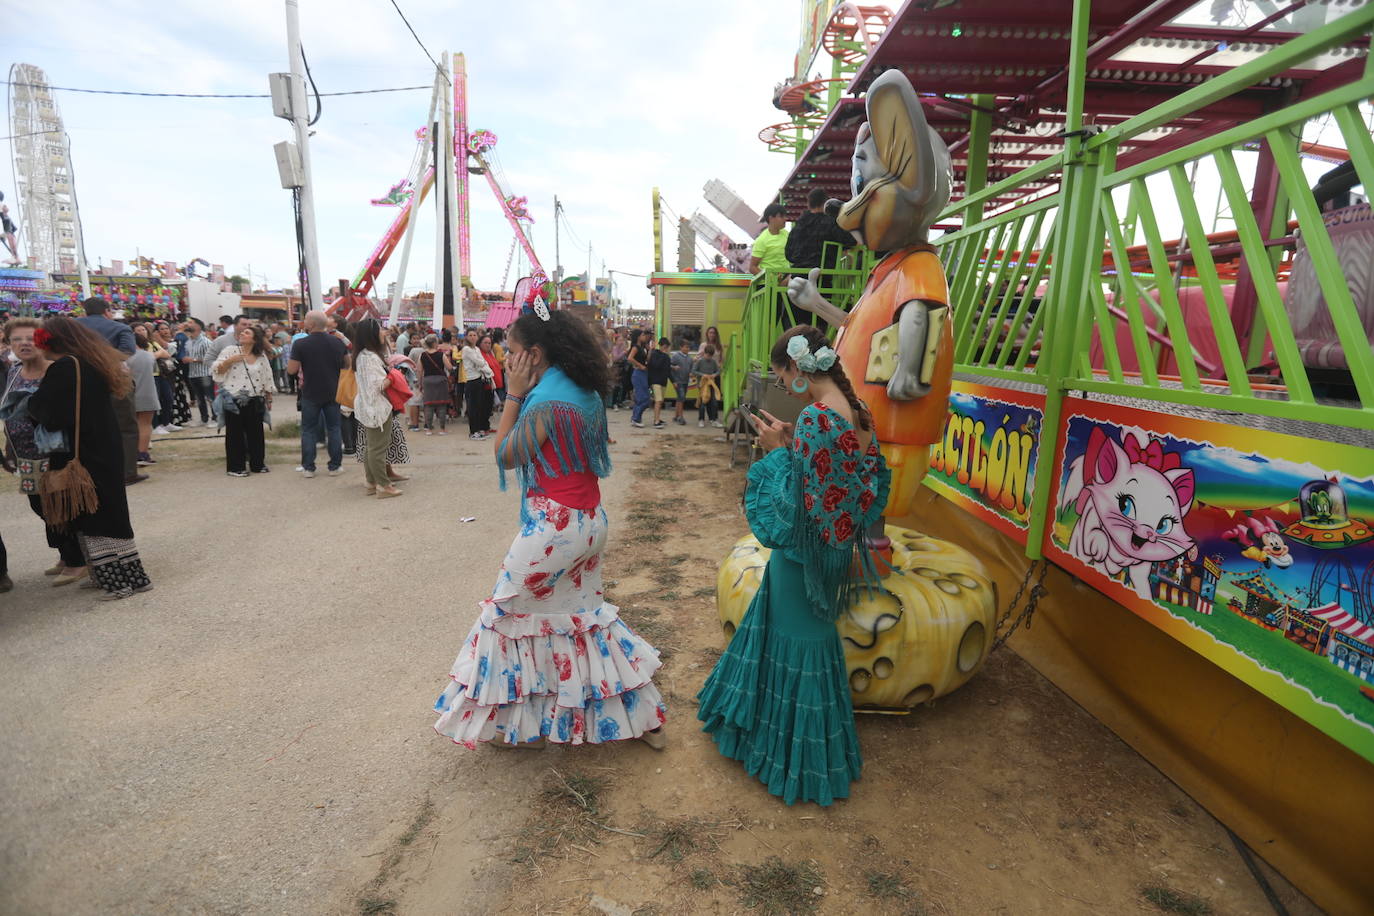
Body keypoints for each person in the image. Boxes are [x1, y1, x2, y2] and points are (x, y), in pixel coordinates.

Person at [433, 308, 666, 750]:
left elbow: (505, 454)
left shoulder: (544, 401)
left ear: (535, 354)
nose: (509, 358)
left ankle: (515, 727)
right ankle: (643, 718)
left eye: (514, 352)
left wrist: (514, 395)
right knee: (583, 623)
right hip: (589, 522)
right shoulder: (584, 390)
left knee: (506, 618)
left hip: (554, 529)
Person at [697, 325, 891, 806]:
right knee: (812, 643)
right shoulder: (859, 414)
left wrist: (776, 452)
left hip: (801, 556)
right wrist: (791, 446)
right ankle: (816, 751)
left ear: (800, 366)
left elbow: (799, 505)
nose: (782, 384)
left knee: (791, 642)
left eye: (783, 373)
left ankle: (787, 758)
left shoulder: (814, 420)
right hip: (834, 553)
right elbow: (849, 489)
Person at [27, 316, 154, 599]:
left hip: (80, 453)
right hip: (104, 447)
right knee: (111, 509)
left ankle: (115, 583)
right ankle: (133, 576)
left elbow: (49, 413)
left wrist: (30, 405)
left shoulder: (64, 368)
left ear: (50, 341)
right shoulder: (93, 362)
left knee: (93, 515)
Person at [1, 318, 85, 583]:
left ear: (42, 341)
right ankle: (64, 553)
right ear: (9, 344)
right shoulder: (13, 371)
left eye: (30, 338)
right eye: (17, 339)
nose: (24, 344)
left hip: (55, 453)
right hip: (24, 455)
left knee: (59, 505)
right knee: (40, 507)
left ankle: (77, 560)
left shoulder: (55, 370)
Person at [76, 297, 143, 485]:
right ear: (107, 311)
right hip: (115, 379)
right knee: (126, 426)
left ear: (85, 310)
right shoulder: (120, 328)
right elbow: (128, 352)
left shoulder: (73, 326)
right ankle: (127, 472)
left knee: (87, 426)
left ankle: (91, 471)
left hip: (81, 379)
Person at [286, 309, 348, 479]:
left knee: (308, 430)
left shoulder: (301, 344)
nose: (304, 322)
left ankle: (308, 467)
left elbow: (291, 369)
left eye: (305, 319)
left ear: (311, 324)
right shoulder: (337, 343)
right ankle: (335, 466)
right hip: (333, 391)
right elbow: (347, 364)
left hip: (310, 392)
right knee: (334, 428)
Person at [212, 324, 274, 477]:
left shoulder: (260, 355)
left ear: (254, 339)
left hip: (255, 398)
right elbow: (216, 371)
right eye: (242, 332)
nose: (242, 334)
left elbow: (267, 375)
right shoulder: (229, 351)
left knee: (256, 433)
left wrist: (269, 396)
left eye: (247, 333)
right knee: (235, 434)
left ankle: (257, 463)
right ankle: (235, 467)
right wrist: (229, 361)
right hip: (234, 399)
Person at [350, 319, 403, 498]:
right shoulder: (369, 357)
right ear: (372, 334)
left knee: (372, 446)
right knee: (378, 448)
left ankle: (371, 482)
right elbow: (377, 385)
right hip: (377, 407)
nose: (384, 333)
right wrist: (394, 376)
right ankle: (383, 485)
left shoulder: (363, 356)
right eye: (380, 330)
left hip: (369, 407)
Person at [785, 188, 855, 272]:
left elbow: (788, 254)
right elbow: (850, 241)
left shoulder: (799, 225)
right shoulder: (831, 222)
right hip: (823, 276)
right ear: (825, 203)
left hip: (797, 273)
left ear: (809, 204)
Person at [127, 326, 158, 469]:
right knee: (145, 424)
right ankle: (143, 454)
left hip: (129, 394)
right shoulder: (148, 356)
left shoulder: (123, 357)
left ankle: (132, 453)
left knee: (132, 425)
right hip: (147, 392)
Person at [460, 328, 494, 440]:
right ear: (466, 337)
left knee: (479, 406)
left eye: (474, 335)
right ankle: (473, 431)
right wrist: (483, 364)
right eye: (470, 335)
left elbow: (481, 361)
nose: (473, 337)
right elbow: (479, 361)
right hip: (471, 380)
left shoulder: (476, 349)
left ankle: (479, 430)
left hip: (479, 378)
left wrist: (483, 364)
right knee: (472, 407)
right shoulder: (466, 349)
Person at [180, 319, 215, 426]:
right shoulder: (189, 342)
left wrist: (193, 360)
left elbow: (211, 358)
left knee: (210, 398)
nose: (187, 324)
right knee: (199, 398)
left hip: (205, 374)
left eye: (191, 323)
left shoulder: (206, 342)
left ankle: (216, 418)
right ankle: (204, 419)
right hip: (193, 374)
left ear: (198, 327)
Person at [419, 335, 452, 434]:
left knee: (429, 405)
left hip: (428, 380)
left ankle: (428, 429)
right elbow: (449, 367)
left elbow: (419, 370)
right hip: (441, 380)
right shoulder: (441, 355)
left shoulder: (423, 355)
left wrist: (420, 383)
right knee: (441, 405)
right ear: (434, 343)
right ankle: (442, 429)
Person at [693, 343, 723, 428]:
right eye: (707, 355)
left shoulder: (713, 362)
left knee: (714, 403)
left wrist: (714, 375)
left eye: (710, 356)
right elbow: (694, 371)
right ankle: (701, 419)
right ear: (704, 353)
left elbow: (718, 371)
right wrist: (703, 375)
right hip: (702, 385)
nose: (709, 357)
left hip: (711, 384)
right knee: (702, 403)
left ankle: (714, 419)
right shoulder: (700, 361)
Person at [627, 329, 652, 428]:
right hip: (638, 373)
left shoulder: (641, 347)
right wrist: (640, 365)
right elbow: (630, 358)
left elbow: (647, 360)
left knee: (643, 396)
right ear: (638, 336)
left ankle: (636, 417)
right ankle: (636, 418)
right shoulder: (636, 347)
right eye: (642, 335)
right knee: (644, 397)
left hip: (643, 373)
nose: (644, 336)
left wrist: (650, 350)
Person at [646, 337, 672, 429]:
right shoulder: (655, 354)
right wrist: (664, 355)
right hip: (655, 381)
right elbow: (656, 365)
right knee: (658, 400)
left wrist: (673, 381)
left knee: (660, 401)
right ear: (663, 346)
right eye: (666, 347)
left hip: (663, 382)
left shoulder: (667, 357)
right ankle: (656, 421)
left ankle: (658, 418)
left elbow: (668, 370)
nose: (667, 349)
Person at [669, 339, 694, 426]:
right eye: (686, 347)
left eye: (688, 347)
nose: (687, 349)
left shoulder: (689, 358)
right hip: (678, 380)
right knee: (681, 398)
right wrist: (674, 367)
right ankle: (681, 417)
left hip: (685, 381)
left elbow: (691, 368)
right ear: (681, 347)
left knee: (680, 398)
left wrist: (691, 373)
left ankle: (676, 416)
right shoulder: (675, 356)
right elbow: (669, 365)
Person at [480, 334, 504, 417]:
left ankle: (486, 426)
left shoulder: (490, 354)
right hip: (485, 384)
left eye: (489, 343)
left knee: (489, 404)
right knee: (485, 405)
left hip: (492, 385)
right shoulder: (480, 354)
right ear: (480, 343)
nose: (487, 345)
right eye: (485, 343)